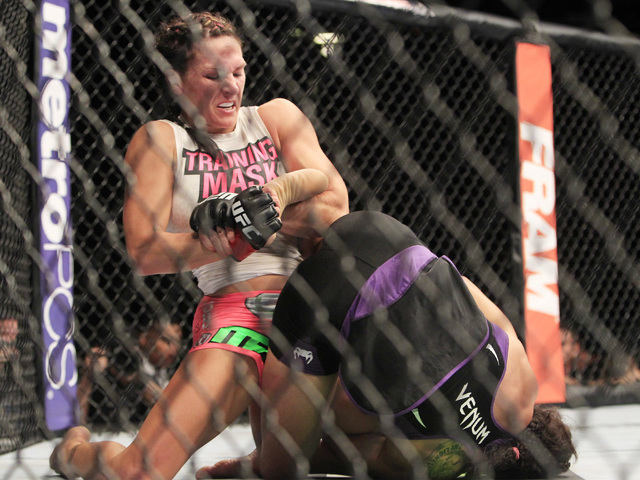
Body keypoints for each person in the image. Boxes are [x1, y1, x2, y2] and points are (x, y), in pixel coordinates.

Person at [49, 10, 348, 480]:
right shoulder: (160, 140)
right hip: (237, 315)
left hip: (310, 309)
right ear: (177, 81)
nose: (231, 86)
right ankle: (73, 452)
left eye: (239, 71)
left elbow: (335, 209)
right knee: (139, 473)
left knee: (324, 459)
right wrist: (229, 237)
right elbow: (144, 251)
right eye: (213, 75)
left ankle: (250, 465)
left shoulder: (276, 118)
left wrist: (260, 214)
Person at [198, 211, 577, 480]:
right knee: (281, 466)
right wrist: (267, 459)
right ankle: (269, 340)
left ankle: (269, 200)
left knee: (320, 210)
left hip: (386, 238)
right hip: (325, 305)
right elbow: (345, 453)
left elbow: (460, 286)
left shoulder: (523, 386)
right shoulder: (444, 461)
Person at [76, 321, 183, 427]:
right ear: (144, 338)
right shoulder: (109, 368)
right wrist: (90, 374)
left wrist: (138, 379)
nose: (174, 349)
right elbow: (76, 419)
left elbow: (171, 406)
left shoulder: (175, 370)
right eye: (166, 341)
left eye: (177, 343)